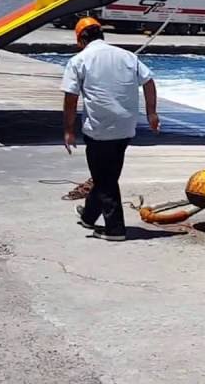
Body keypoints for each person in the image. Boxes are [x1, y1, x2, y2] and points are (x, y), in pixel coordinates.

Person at [61, 17, 160, 242]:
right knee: (106, 175)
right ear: (101, 35)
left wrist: (68, 129)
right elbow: (149, 81)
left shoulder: (79, 60)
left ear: (80, 40)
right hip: (125, 127)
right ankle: (88, 216)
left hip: (99, 128)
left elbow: (70, 97)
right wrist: (152, 113)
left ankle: (115, 229)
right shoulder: (127, 56)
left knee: (105, 180)